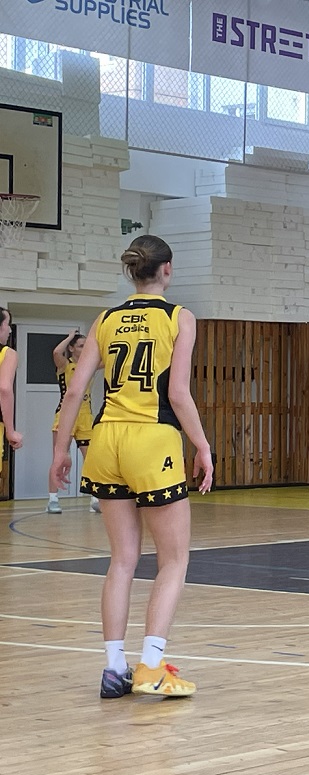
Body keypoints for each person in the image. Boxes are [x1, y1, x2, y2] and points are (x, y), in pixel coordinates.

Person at [50, 235, 214, 699]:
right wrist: (202, 445)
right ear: (168, 269)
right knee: (173, 559)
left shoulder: (105, 319)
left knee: (122, 560)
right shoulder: (179, 317)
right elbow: (177, 393)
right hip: (152, 440)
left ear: (131, 271)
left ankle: (113, 668)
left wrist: (60, 451)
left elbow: (76, 390)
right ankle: (151, 665)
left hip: (106, 440)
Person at [47, 329, 100, 514]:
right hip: (65, 415)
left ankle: (94, 498)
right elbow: (56, 352)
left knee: (92, 458)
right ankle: (52, 499)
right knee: (59, 457)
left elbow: (109, 357)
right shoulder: (64, 364)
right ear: (71, 348)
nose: (84, 349)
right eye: (80, 346)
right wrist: (70, 336)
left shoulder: (90, 365)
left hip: (85, 416)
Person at [0, 308, 24, 490]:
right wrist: (11, 430)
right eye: (7, 324)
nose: (9, 330)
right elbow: (4, 388)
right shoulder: (7, 353)